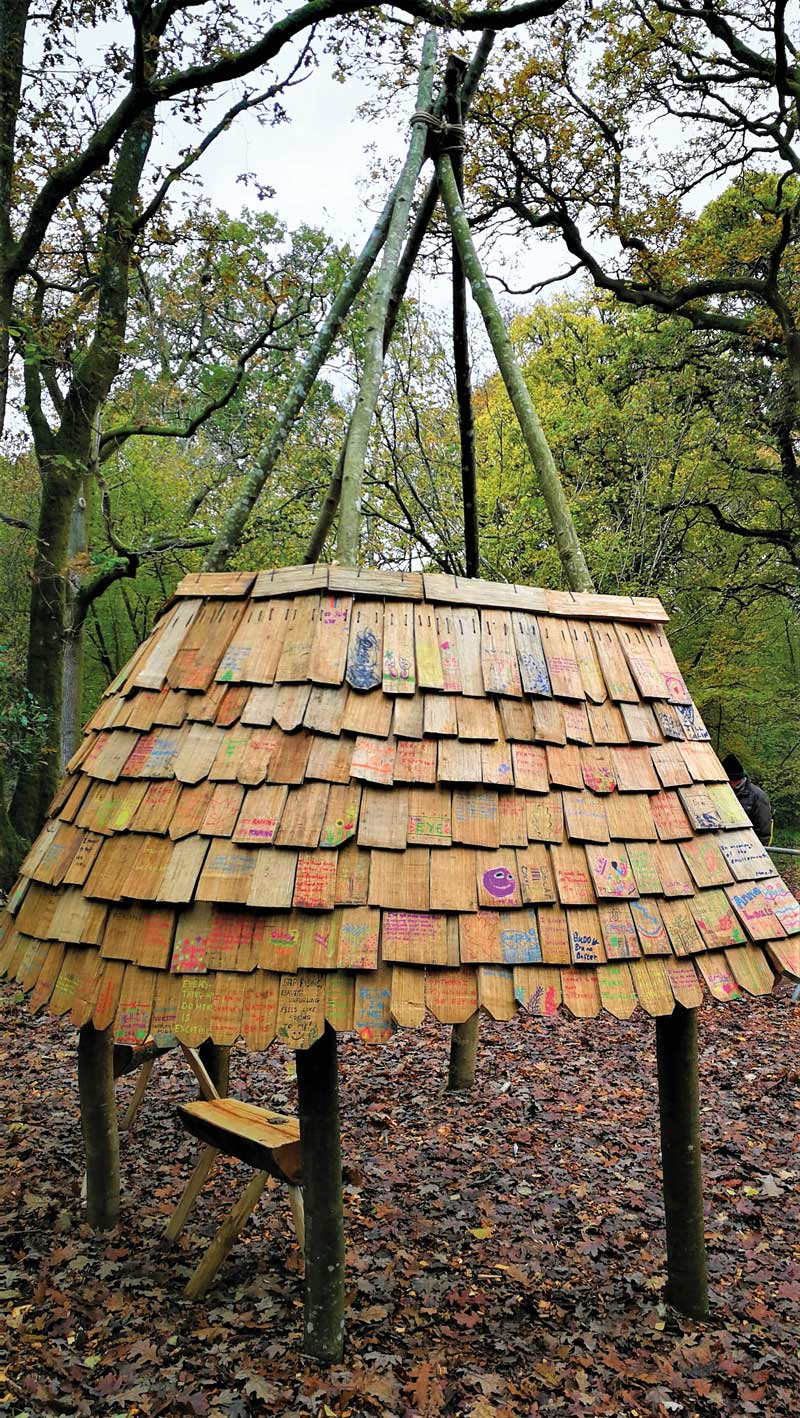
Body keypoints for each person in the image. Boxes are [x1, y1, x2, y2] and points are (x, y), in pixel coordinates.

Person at [721, 753, 772, 845]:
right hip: (725, 844)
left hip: (748, 847)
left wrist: (760, 852)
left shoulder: (758, 796)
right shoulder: (721, 792)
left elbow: (763, 830)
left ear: (733, 779)